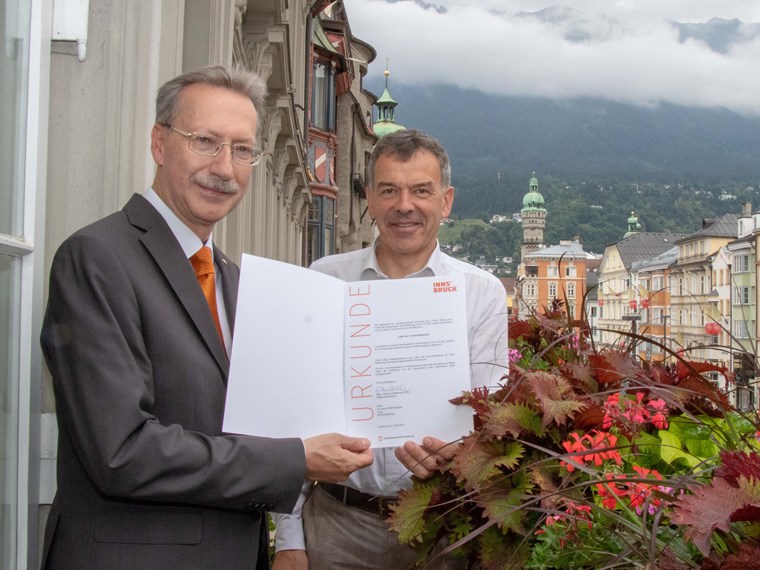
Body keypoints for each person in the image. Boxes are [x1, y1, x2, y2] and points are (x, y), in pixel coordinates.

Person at [39, 65, 374, 570]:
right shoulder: (97, 258)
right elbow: (121, 451)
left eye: (243, 150)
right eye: (205, 141)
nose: (225, 168)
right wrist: (296, 459)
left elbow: (249, 422)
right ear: (158, 142)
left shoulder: (234, 280)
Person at [271, 129, 509, 569]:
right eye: (389, 190)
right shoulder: (324, 280)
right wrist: (288, 540)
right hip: (337, 525)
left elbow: (491, 419)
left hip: (437, 527)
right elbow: (294, 417)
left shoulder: (481, 292)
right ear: (370, 199)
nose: (404, 206)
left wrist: (458, 454)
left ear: (446, 200)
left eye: (421, 190)